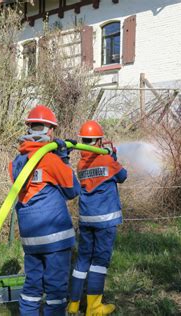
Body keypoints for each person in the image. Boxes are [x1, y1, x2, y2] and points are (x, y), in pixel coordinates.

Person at [9, 105, 80, 315]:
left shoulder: (16, 162)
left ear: (29, 128)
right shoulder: (50, 159)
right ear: (49, 130)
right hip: (54, 235)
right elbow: (72, 190)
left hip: (30, 238)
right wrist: (64, 158)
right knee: (56, 290)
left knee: (32, 287)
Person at [67, 120, 127, 315]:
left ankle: (73, 304)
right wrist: (114, 157)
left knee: (82, 260)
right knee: (100, 262)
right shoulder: (107, 160)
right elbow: (123, 176)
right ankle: (94, 308)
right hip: (105, 220)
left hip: (86, 219)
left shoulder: (81, 163)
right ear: (99, 141)